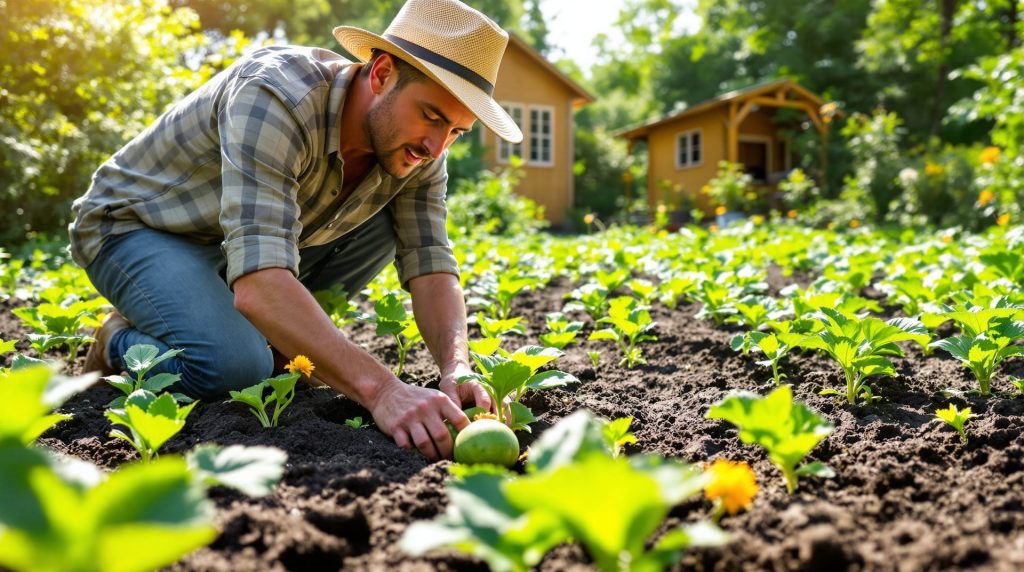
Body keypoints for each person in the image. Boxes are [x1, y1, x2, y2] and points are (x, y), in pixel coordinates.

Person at [68, 0, 523, 461]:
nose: (436, 146)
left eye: (456, 132)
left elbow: (431, 263)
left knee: (389, 224)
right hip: (139, 229)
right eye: (431, 116)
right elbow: (260, 286)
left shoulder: (419, 150)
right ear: (382, 73)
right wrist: (383, 390)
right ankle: (118, 342)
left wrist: (457, 366)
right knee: (236, 368)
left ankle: (251, 333)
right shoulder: (275, 95)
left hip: (238, 250)